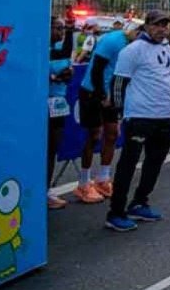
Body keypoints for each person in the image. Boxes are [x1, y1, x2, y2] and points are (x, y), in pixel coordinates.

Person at [104, 10, 170, 231]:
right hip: (139, 115)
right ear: (146, 26)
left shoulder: (169, 50)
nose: (161, 29)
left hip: (164, 115)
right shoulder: (133, 50)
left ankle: (139, 202)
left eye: (165, 25)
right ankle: (116, 212)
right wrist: (118, 114)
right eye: (157, 25)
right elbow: (119, 84)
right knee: (128, 163)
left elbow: (166, 81)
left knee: (155, 161)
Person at [74, 23, 132, 204]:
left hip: (111, 93)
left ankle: (102, 179)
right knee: (95, 135)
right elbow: (97, 68)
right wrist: (101, 95)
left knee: (113, 133)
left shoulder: (136, 46)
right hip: (92, 91)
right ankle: (83, 183)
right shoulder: (113, 40)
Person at [47, 16, 76, 210]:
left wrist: (67, 74)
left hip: (59, 104)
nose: (61, 32)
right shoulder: (42, 48)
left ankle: (47, 189)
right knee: (44, 149)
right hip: (43, 104)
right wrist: (53, 77)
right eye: (57, 28)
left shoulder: (60, 49)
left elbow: (66, 59)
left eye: (62, 29)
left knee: (53, 148)